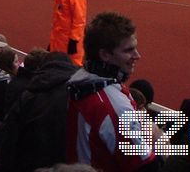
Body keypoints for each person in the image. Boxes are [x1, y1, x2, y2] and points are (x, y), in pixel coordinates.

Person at [66, 11, 156, 171]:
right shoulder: (113, 106)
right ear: (105, 54)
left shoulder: (81, 83)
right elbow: (143, 165)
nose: (137, 56)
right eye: (129, 50)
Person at [49, 0, 86, 66]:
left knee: (72, 67)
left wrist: (74, 40)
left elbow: (79, 20)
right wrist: (52, 42)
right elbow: (58, 19)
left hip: (70, 40)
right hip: (59, 39)